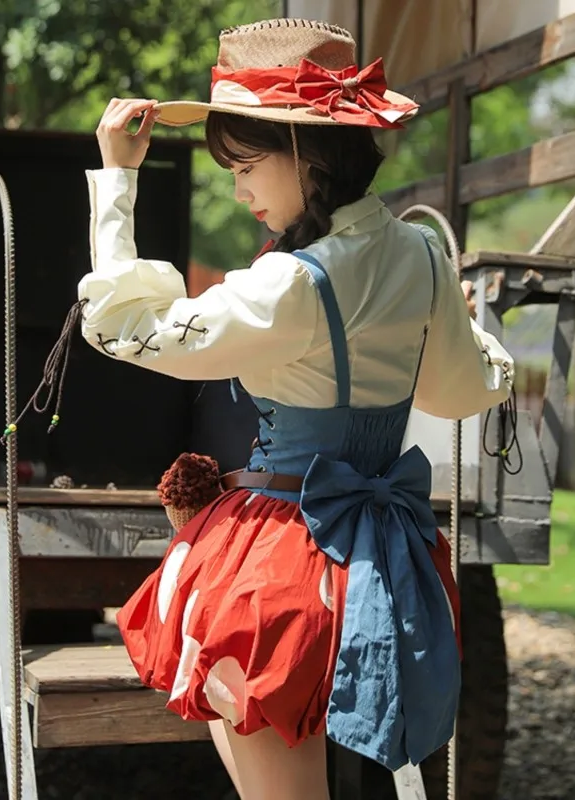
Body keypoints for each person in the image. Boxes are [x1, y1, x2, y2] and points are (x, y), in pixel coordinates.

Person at [78, 19, 514, 800]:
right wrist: (490, 344)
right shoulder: (419, 253)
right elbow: (459, 389)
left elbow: (124, 328)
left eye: (246, 166)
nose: (239, 189)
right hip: (386, 551)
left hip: (283, 561)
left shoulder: (289, 284)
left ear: (306, 155)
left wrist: (117, 181)